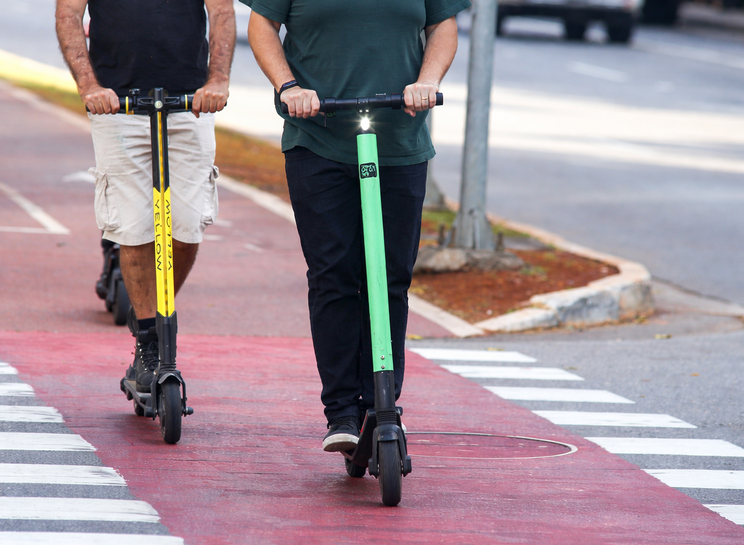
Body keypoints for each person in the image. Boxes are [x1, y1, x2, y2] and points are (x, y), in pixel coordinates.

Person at [243, 0, 469, 452]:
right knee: (334, 275)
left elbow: (442, 25)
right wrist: (288, 86)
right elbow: (262, 25)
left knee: (390, 279)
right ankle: (343, 411)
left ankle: (382, 404)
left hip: (400, 138)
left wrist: (427, 80)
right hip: (318, 137)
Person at [56, 0, 235, 392]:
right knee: (134, 227)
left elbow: (221, 11)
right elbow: (68, 13)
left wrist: (218, 79)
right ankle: (150, 342)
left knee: (188, 227)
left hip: (190, 105)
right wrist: (89, 86)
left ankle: (149, 313)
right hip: (117, 106)